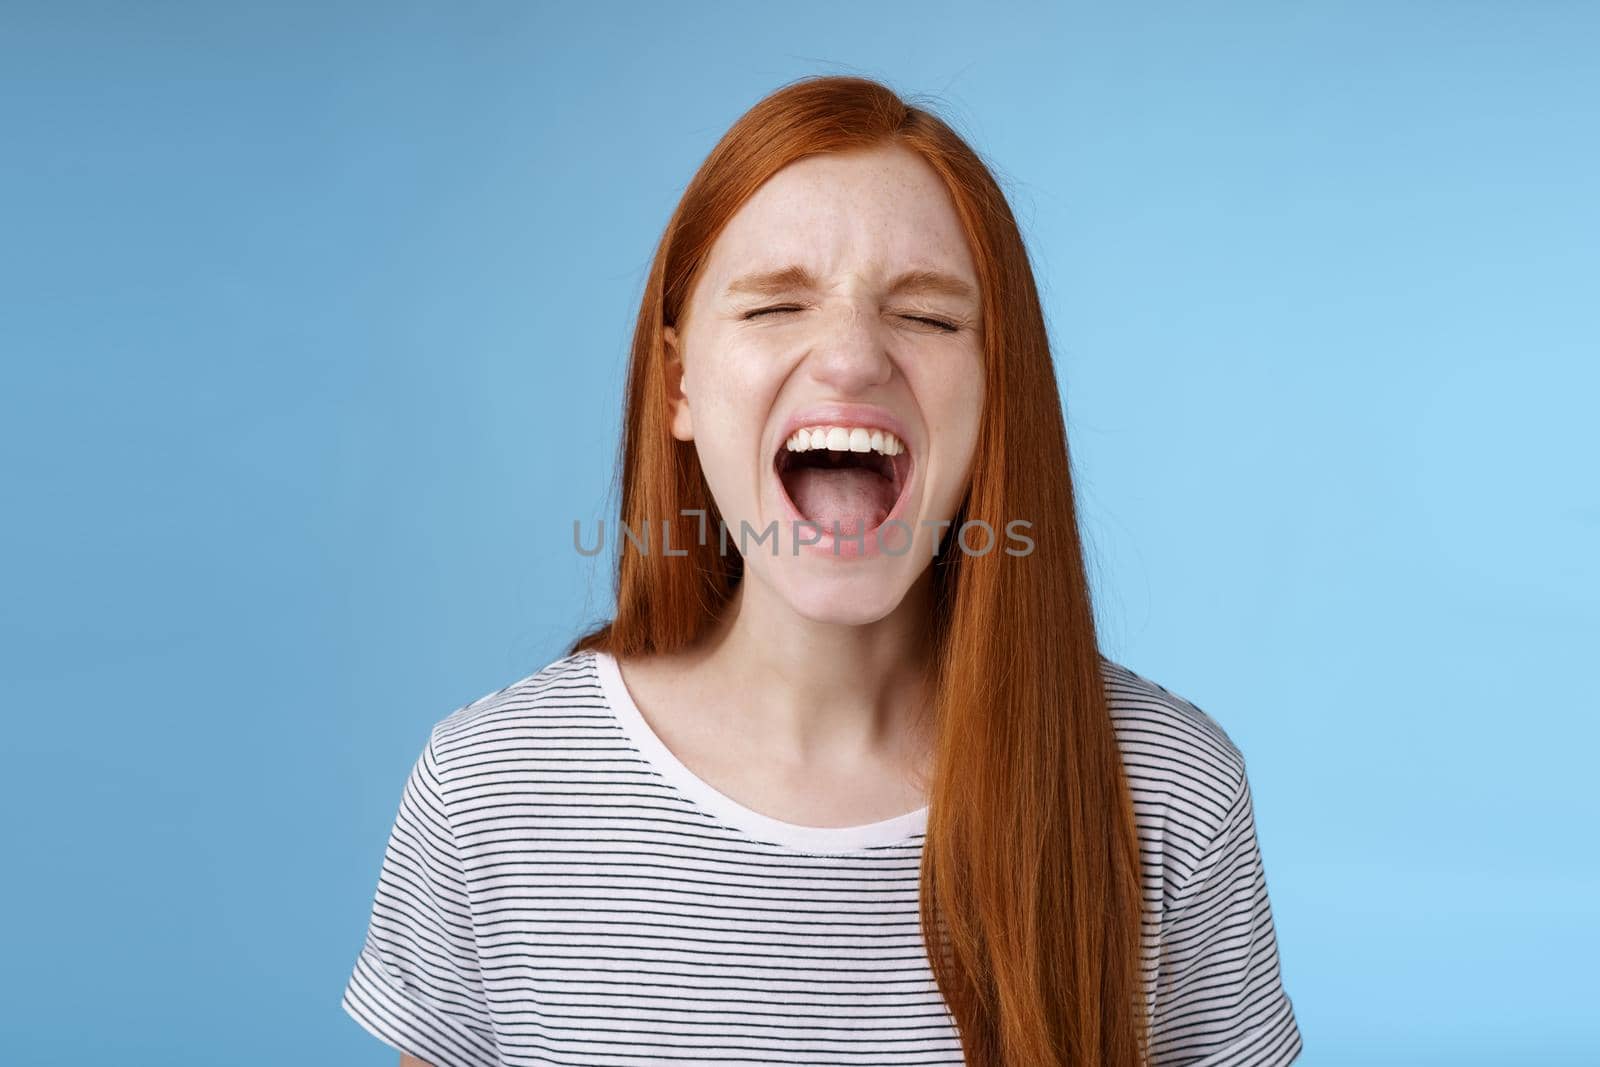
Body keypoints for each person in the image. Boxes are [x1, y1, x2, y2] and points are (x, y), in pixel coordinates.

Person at [340, 74, 1302, 1067]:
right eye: (773, 306)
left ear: (996, 388)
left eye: (927, 317)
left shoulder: (1167, 791)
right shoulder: (490, 788)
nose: (850, 358)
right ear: (678, 383)